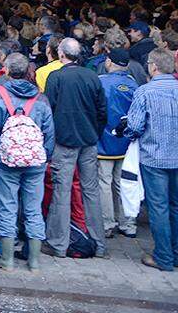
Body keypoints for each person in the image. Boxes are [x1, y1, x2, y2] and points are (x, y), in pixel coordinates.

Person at [0, 53, 54, 272]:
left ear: (5, 70)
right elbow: (49, 133)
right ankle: (34, 262)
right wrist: (44, 156)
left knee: (7, 207)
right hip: (35, 162)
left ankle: (7, 261)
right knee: (33, 209)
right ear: (28, 72)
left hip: (6, 161)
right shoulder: (41, 98)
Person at [43, 37, 108, 258]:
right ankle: (99, 245)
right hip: (88, 141)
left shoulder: (56, 77)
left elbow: (49, 112)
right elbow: (102, 112)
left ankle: (58, 244)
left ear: (61, 54)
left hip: (64, 142)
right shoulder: (92, 76)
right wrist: (94, 133)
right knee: (91, 192)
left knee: (62, 192)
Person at [124, 48, 178, 271]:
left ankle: (163, 257)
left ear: (153, 67)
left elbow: (135, 126)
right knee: (176, 206)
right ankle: (175, 252)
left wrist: (128, 134)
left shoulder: (144, 92)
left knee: (159, 207)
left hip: (153, 156)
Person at [98, 47, 139, 240]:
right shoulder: (134, 85)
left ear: (109, 62)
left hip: (104, 140)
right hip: (126, 141)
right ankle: (127, 222)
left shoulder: (101, 82)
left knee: (104, 182)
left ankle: (107, 223)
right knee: (125, 182)